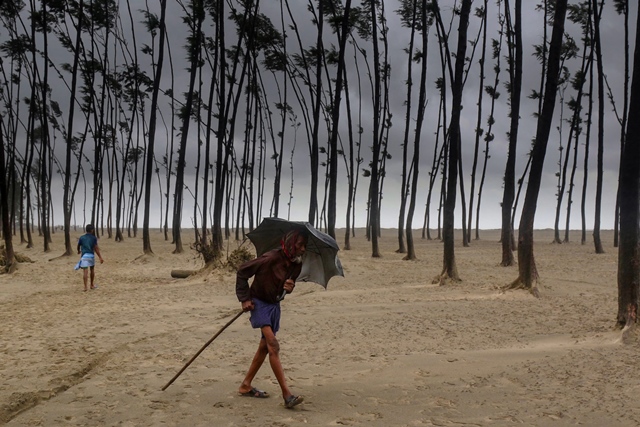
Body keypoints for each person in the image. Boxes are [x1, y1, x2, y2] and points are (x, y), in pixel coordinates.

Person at [235, 229, 307, 409]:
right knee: (273, 344)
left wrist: (288, 288)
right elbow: (242, 272)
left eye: (305, 246)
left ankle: (245, 385)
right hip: (258, 303)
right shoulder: (270, 258)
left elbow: (285, 288)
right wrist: (245, 299)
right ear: (290, 244)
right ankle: (287, 395)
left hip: (274, 305)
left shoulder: (296, 264)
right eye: (300, 245)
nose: (303, 249)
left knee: (264, 347)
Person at [75, 224, 104, 291]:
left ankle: (85, 287)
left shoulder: (82, 237)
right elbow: (96, 248)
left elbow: (78, 245)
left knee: (85, 271)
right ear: (92, 230)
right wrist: (100, 257)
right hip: (91, 255)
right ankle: (91, 285)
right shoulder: (93, 238)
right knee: (92, 269)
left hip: (84, 256)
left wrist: (78, 251)